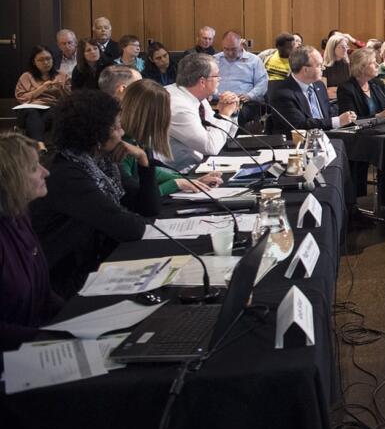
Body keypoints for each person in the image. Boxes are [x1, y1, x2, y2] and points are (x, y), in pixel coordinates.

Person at [30, 90, 159, 296]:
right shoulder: (67, 174)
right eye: (116, 127)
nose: (122, 132)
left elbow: (147, 207)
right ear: (96, 134)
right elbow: (127, 227)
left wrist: (144, 160)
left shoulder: (100, 163)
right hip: (60, 283)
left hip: (90, 267)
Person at [0, 132, 63, 353]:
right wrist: (48, 339)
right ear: (13, 178)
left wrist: (75, 320)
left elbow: (42, 294)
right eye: (35, 168)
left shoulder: (19, 216)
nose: (46, 172)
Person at [120, 80, 223, 196]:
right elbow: (134, 198)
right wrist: (175, 184)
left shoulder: (137, 138)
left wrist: (192, 180)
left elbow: (152, 172)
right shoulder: (121, 144)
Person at [165, 53, 240, 172]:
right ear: (202, 82)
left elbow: (225, 139)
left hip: (200, 165)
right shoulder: (177, 106)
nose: (220, 80)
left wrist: (232, 113)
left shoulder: (197, 96)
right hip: (180, 173)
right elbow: (211, 147)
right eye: (217, 76)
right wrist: (224, 114)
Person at [267, 47, 357, 133]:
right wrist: (337, 121)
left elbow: (327, 116)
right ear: (305, 70)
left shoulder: (319, 85)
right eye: (319, 65)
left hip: (328, 136)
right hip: (300, 143)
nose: (323, 68)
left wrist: (346, 118)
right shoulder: (282, 94)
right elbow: (300, 126)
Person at [14, 46, 70, 146]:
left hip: (52, 108)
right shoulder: (26, 76)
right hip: (30, 108)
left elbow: (69, 100)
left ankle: (39, 145)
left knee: (48, 114)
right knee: (31, 113)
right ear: (34, 62)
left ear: (53, 59)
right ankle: (40, 144)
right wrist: (41, 89)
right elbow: (21, 97)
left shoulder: (62, 75)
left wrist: (61, 89)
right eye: (41, 60)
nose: (45, 62)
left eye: (48, 59)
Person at [214, 30, 268, 126]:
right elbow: (205, 81)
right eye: (226, 49)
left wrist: (250, 95)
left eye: (234, 49)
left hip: (244, 102)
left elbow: (262, 83)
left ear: (241, 45)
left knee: (237, 115)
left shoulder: (254, 60)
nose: (230, 53)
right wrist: (217, 95)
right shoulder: (214, 60)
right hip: (218, 100)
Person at [336, 47, 385, 120]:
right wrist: (376, 117)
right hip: (362, 131)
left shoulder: (378, 84)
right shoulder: (346, 89)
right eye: (373, 63)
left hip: (384, 128)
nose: (378, 65)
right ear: (361, 67)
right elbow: (349, 120)